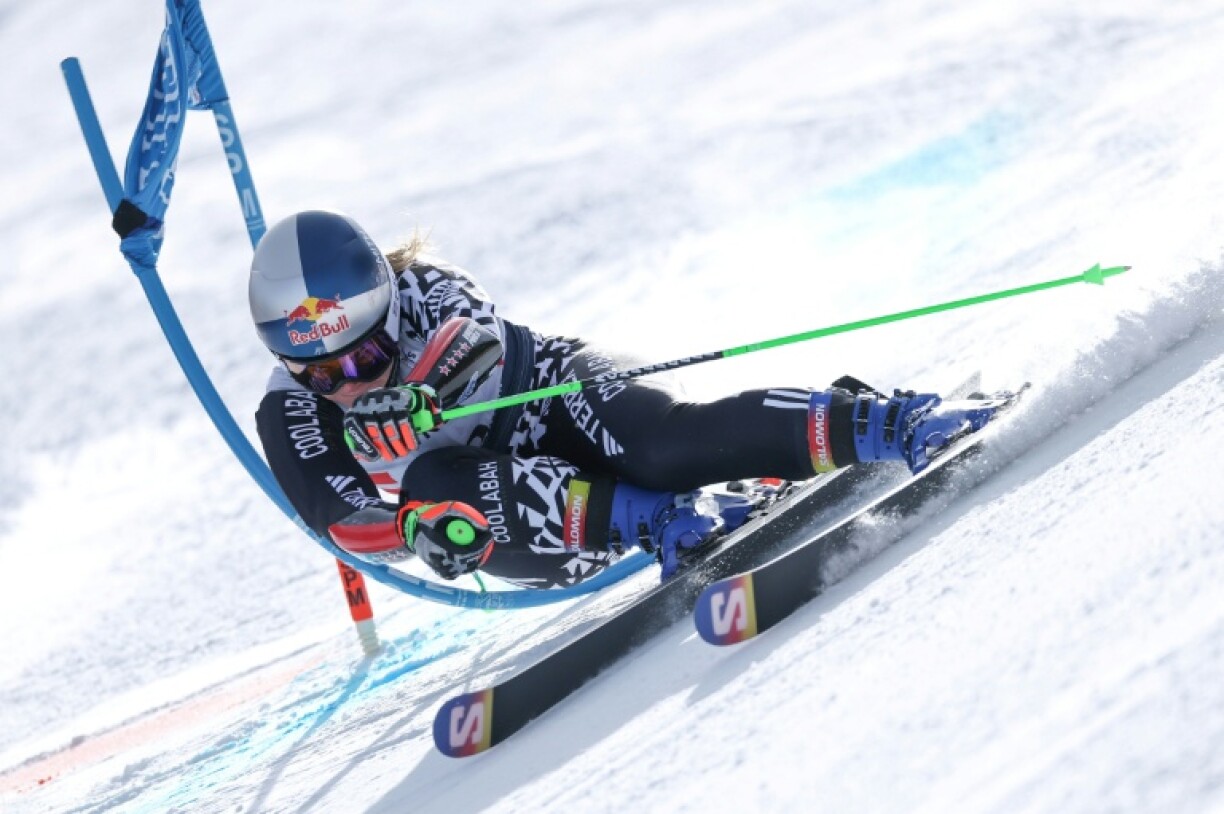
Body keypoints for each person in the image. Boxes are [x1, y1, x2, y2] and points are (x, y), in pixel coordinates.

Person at [250, 210, 1004, 587]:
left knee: (664, 448)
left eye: (369, 353)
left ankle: (889, 423)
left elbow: (472, 340)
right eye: (322, 375)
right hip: (524, 524)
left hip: (547, 394)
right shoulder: (289, 411)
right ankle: (659, 522)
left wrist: (415, 396)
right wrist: (413, 530)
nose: (349, 382)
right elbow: (341, 520)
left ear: (385, 302)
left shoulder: (422, 286)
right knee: (427, 485)